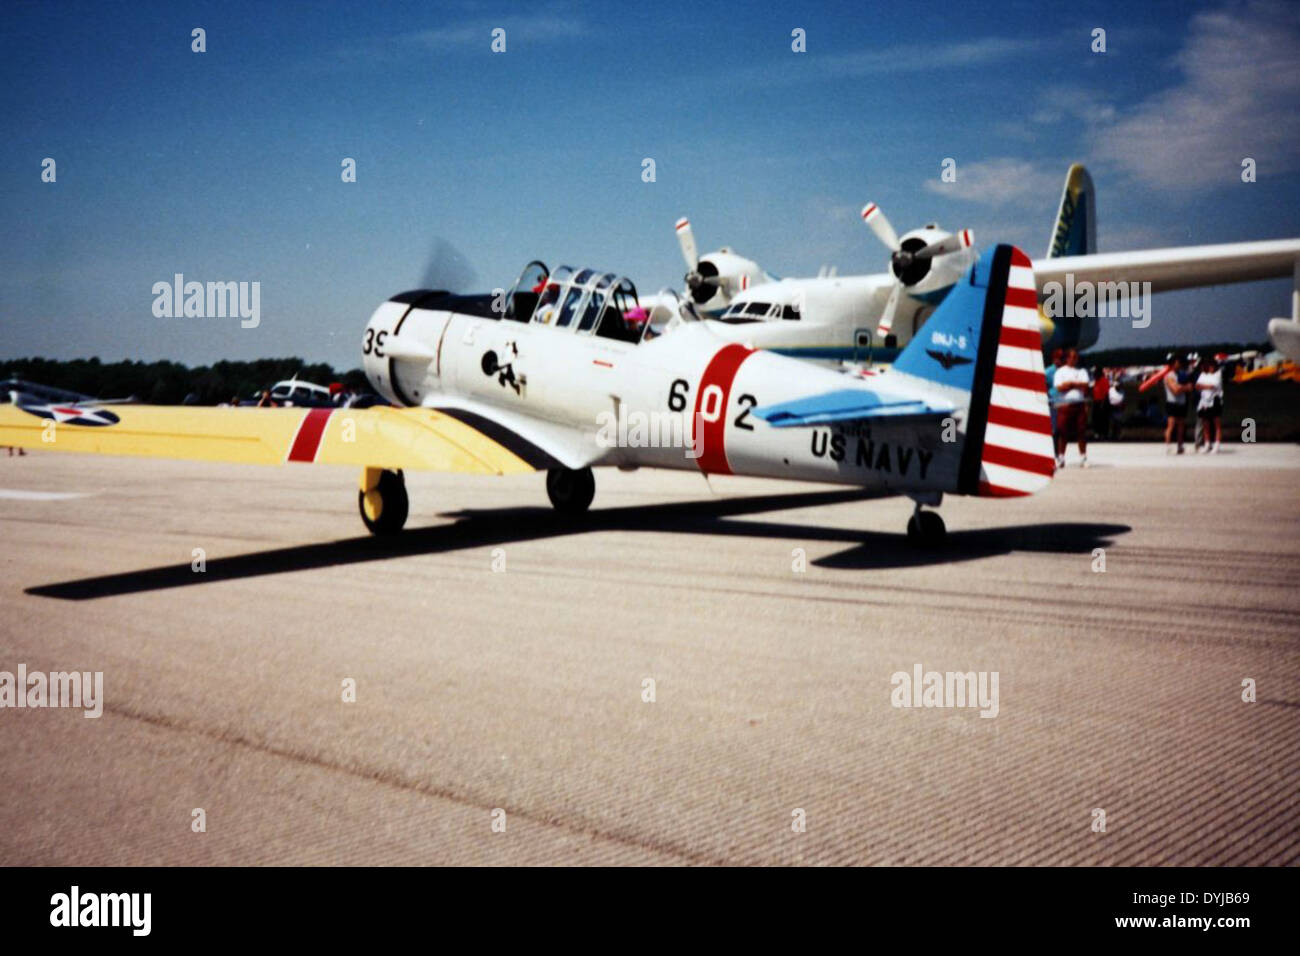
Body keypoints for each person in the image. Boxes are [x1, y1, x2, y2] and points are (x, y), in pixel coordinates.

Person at [1053, 348, 1091, 467]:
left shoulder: (1082, 371)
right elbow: (1059, 387)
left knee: (1081, 432)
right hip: (1065, 404)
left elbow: (1085, 385)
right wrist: (1075, 384)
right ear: (1067, 358)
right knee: (1063, 432)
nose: (1074, 359)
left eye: (1076, 357)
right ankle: (1061, 457)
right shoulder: (1060, 372)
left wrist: (1071, 384)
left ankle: (1083, 457)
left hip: (1079, 404)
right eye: (1072, 357)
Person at [1162, 355, 1192, 453]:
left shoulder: (1181, 374)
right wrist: (1185, 387)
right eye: (1177, 363)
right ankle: (1167, 445)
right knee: (1171, 425)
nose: (1179, 365)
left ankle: (1180, 446)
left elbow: (1189, 387)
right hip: (1172, 403)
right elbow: (1175, 390)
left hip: (1181, 402)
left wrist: (1183, 387)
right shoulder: (1169, 376)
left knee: (1181, 426)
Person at [1195, 356, 1223, 453]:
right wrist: (1205, 386)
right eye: (1209, 366)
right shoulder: (1203, 374)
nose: (1211, 368)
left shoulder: (1218, 374)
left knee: (1216, 424)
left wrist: (1203, 386)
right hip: (1204, 401)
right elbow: (1197, 386)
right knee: (1205, 424)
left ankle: (1217, 444)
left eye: (1212, 366)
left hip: (1215, 400)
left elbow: (1213, 386)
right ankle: (1207, 444)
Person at [1045, 348, 1063, 442]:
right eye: (1058, 358)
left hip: (1062, 402)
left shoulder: (1064, 371)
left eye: (1061, 358)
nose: (1060, 360)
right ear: (1054, 358)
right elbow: (1044, 386)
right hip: (1053, 402)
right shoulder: (1048, 371)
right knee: (1053, 426)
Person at [1090, 366, 1110, 440]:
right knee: (1095, 418)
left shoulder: (1104, 380)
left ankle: (1104, 434)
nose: (1094, 374)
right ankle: (1097, 433)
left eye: (1096, 373)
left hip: (1102, 402)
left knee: (1103, 419)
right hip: (1096, 402)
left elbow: (1106, 393)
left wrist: (1103, 404)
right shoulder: (1096, 381)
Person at [1107, 375, 1125, 440]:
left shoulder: (1122, 391)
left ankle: (1118, 435)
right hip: (1112, 409)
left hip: (1119, 410)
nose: (1118, 386)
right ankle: (1111, 435)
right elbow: (1108, 400)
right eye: (1117, 385)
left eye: (1119, 385)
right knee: (1112, 423)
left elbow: (1123, 401)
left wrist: (1121, 407)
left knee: (1118, 423)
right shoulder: (1111, 390)